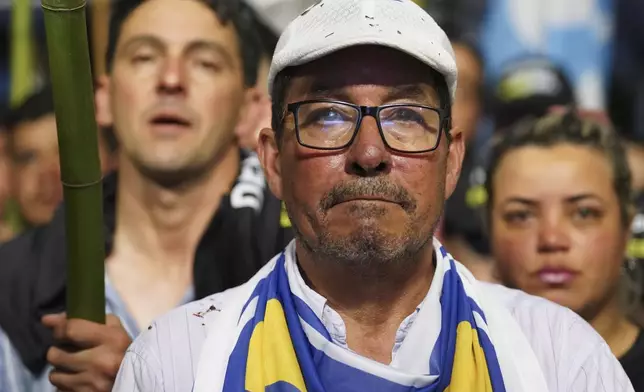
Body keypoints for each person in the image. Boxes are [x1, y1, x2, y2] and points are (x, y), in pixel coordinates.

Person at [114, 1, 634, 391]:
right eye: (327, 116)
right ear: (273, 160)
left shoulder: (561, 361)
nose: (369, 152)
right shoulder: (175, 364)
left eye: (406, 117)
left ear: (452, 160)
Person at [0, 0, 293, 390]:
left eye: (205, 63)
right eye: (144, 58)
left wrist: (141, 379)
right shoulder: (17, 282)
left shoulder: (300, 270)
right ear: (101, 98)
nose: (171, 79)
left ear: (249, 109)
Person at [486, 109, 644, 390]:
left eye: (584, 212)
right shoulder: (449, 371)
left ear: (626, 228)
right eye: (521, 216)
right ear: (489, 232)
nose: (551, 239)